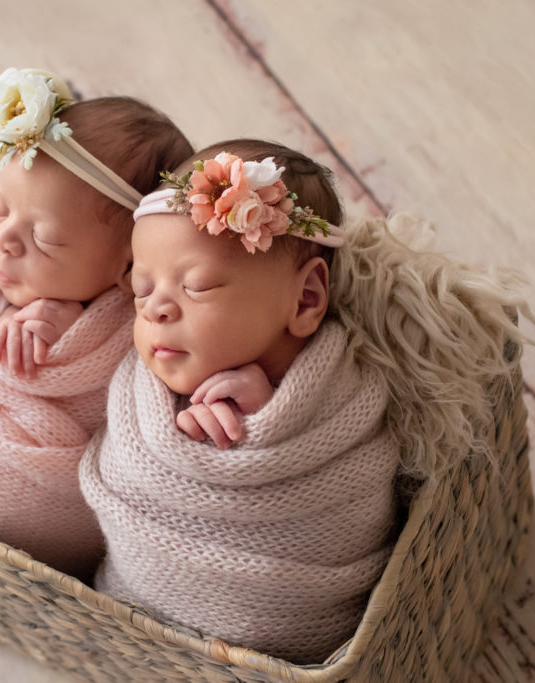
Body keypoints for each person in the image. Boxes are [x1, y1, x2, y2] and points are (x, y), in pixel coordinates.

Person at [79, 140, 401, 662]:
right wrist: (184, 427)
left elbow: (340, 515)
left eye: (198, 286)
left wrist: (264, 417)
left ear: (306, 299)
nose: (156, 308)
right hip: (136, 634)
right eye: (142, 289)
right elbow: (131, 470)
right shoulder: (142, 395)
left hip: (287, 640)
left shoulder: (341, 400)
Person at [0, 68, 192, 579]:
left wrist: (72, 323)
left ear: (126, 269)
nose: (4, 239)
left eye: (44, 240)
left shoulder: (144, 325)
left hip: (54, 524)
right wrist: (5, 313)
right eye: (0, 209)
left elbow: (143, 440)